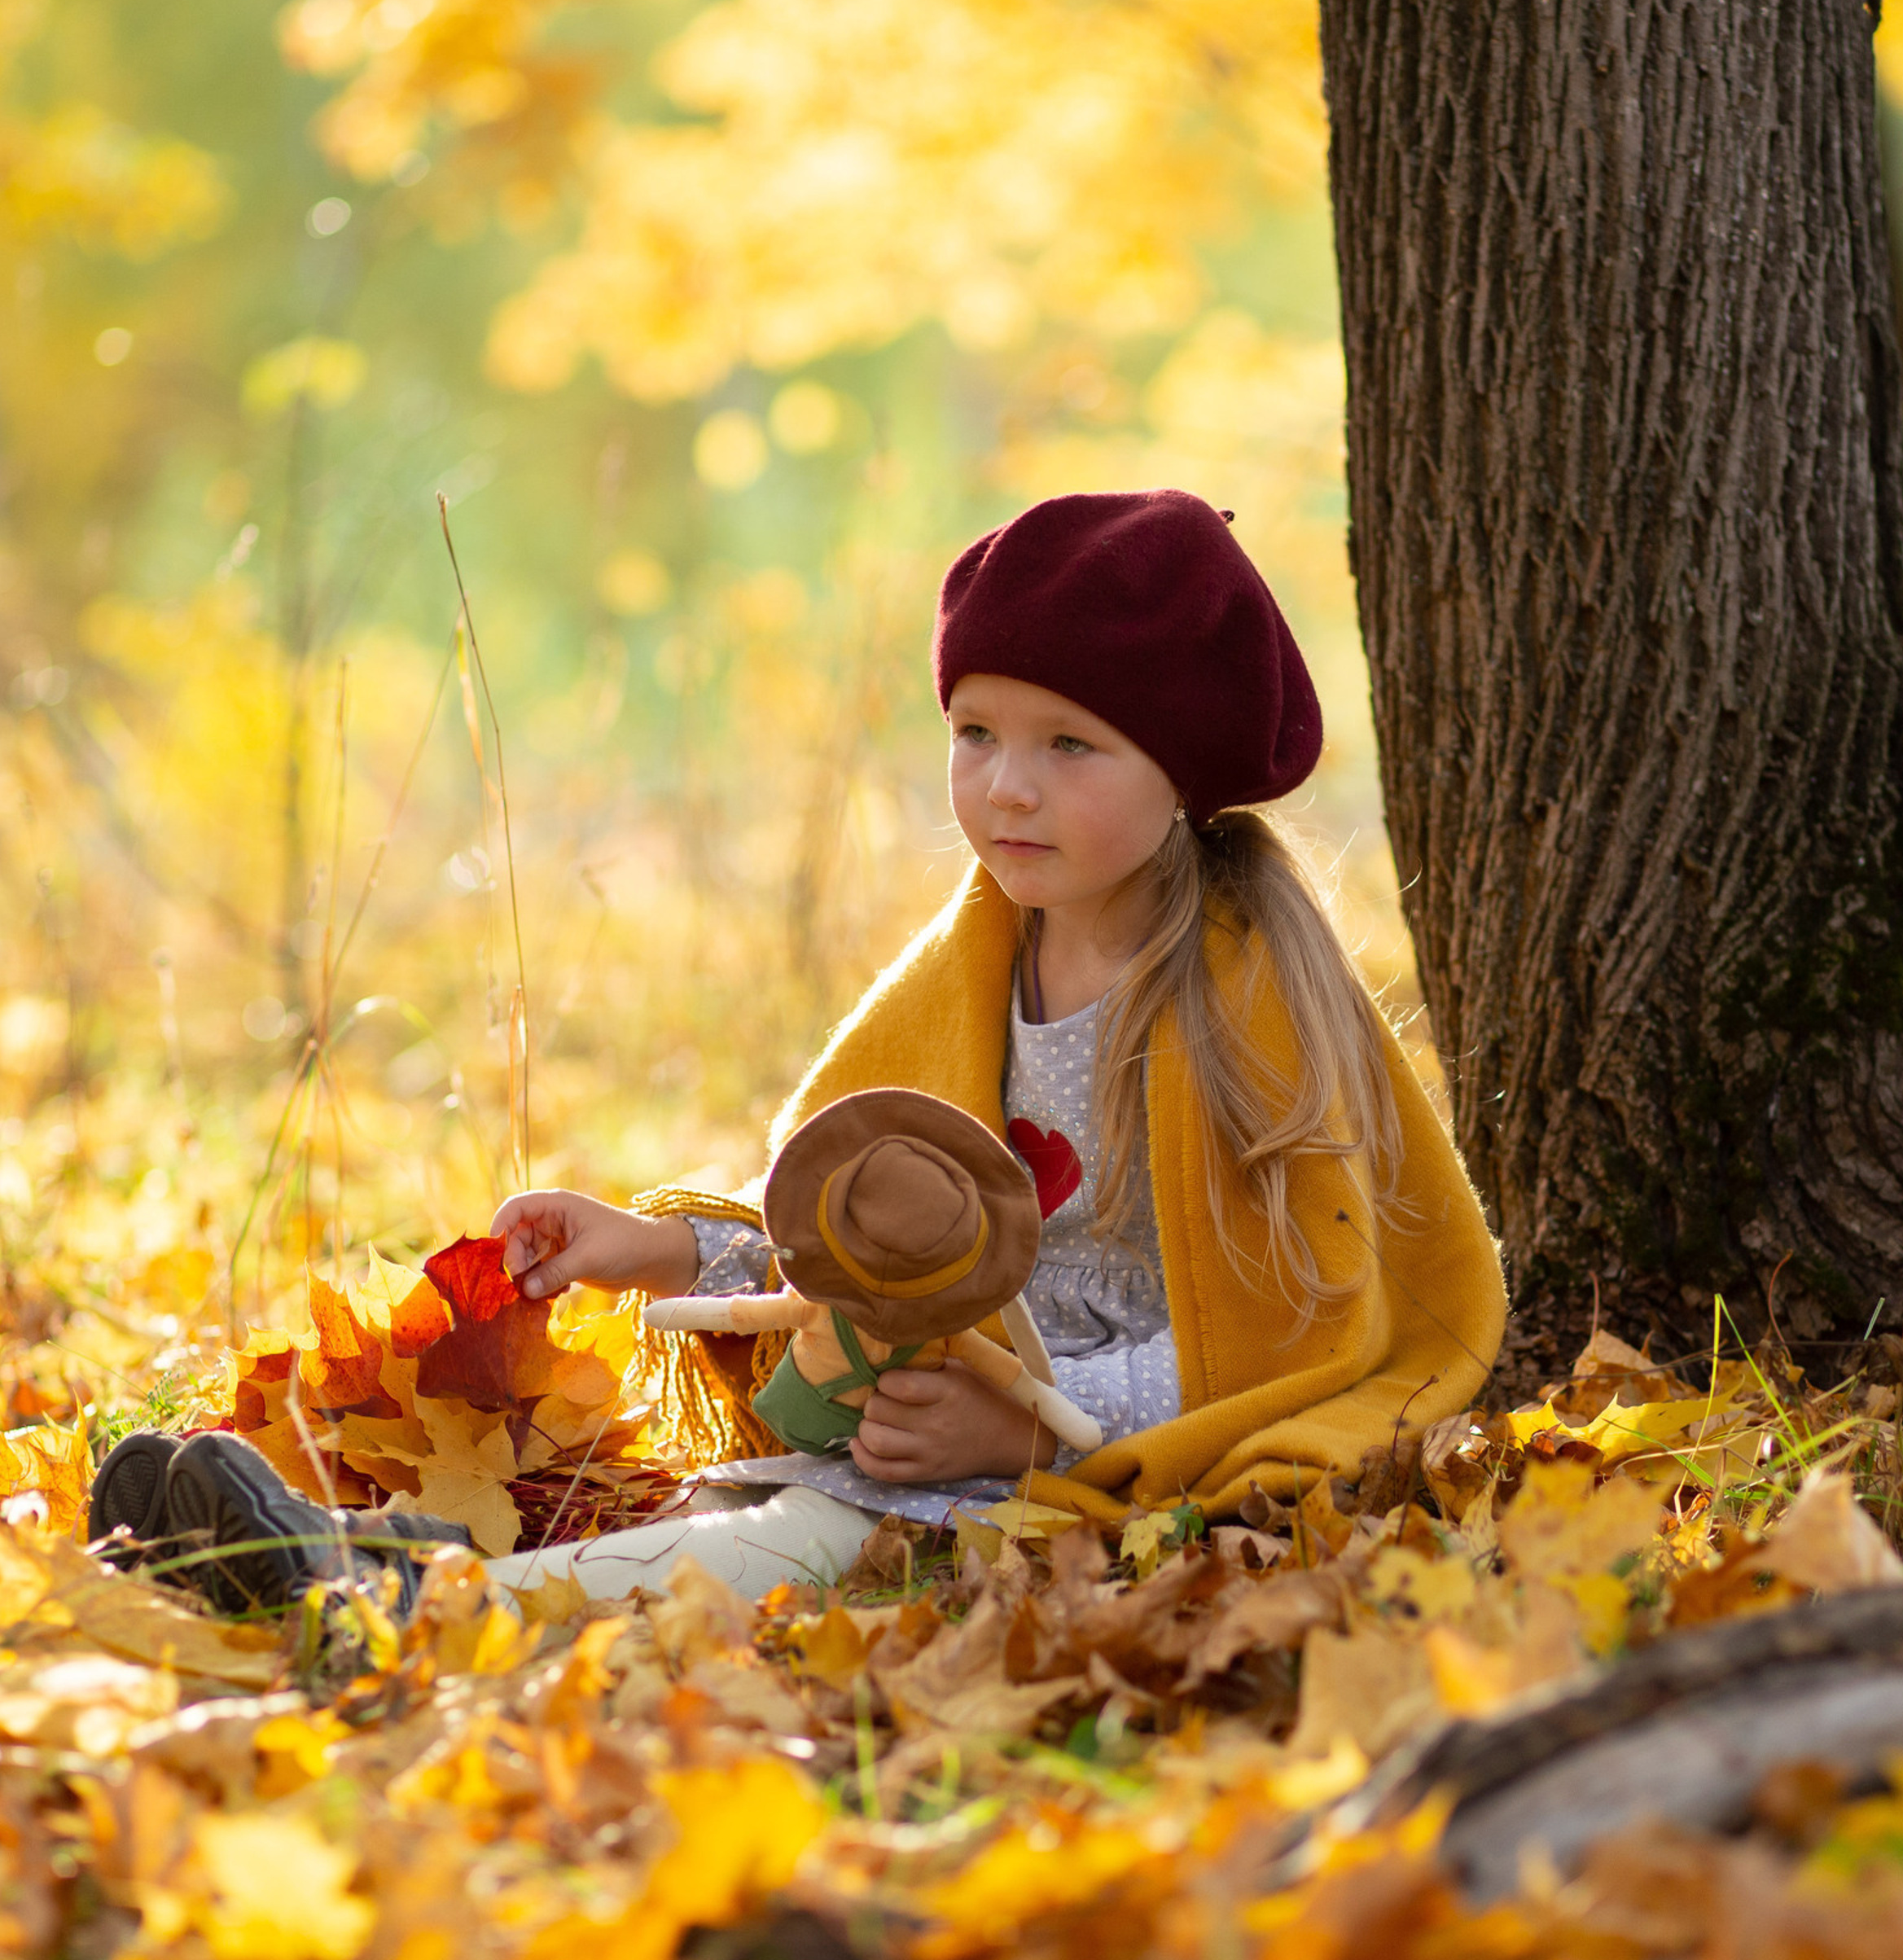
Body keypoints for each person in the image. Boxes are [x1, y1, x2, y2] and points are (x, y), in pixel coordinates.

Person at [89, 490, 1506, 1611]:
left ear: (1183, 769)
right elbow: (866, 1242)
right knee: (729, 1519)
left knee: (790, 1545)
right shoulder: (967, 976)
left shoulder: (1242, 1008)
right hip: (911, 1427)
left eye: (1073, 746)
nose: (1006, 785)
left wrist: (1025, 1432)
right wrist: (656, 1248)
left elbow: (1285, 1331)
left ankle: (397, 1602)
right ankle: (315, 1560)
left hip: (1084, 1471)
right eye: (975, 732)